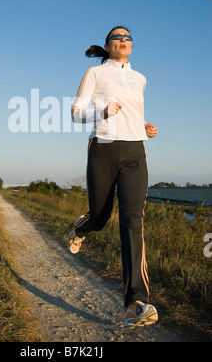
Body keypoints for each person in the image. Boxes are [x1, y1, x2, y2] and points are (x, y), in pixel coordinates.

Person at [69, 25, 158, 329]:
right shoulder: (95, 74)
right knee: (101, 216)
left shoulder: (140, 78)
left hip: (135, 152)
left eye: (128, 37)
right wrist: (103, 112)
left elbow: (132, 112)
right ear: (107, 47)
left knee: (133, 221)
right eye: (117, 37)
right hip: (103, 148)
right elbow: (76, 113)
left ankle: (136, 303)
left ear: (131, 45)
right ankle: (82, 227)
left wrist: (143, 127)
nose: (123, 40)